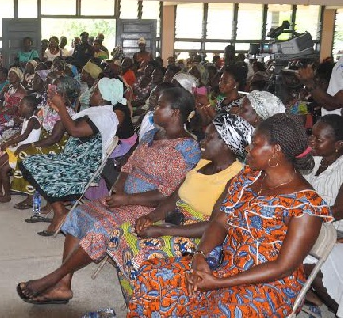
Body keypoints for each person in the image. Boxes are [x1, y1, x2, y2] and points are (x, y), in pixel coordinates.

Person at [127, 113, 332, 317]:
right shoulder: (248, 178)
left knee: (219, 311)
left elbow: (283, 267)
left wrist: (218, 283)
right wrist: (201, 257)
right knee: (154, 276)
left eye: (255, 144)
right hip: (226, 265)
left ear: (276, 151)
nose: (247, 149)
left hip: (267, 286)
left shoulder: (306, 205)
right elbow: (221, 222)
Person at [16, 87, 201, 304]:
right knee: (78, 214)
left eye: (160, 106)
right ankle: (64, 285)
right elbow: (129, 165)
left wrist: (127, 200)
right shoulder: (152, 135)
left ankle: (54, 277)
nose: (154, 109)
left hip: (149, 210)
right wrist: (119, 188)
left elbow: (169, 194)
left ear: (176, 112)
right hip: (124, 199)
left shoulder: (187, 148)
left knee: (101, 228)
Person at [108, 113, 252, 300]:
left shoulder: (236, 178)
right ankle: (136, 301)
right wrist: (150, 217)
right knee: (122, 234)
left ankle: (150, 303)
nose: (203, 141)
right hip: (175, 221)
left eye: (209, 138)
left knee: (143, 254)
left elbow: (214, 226)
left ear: (226, 144)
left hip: (198, 236)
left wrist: (164, 231)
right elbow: (174, 197)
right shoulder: (202, 163)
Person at [19, 78, 122, 236]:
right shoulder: (95, 112)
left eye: (95, 92)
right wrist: (59, 108)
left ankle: (60, 212)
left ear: (102, 96)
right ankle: (59, 210)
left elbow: (75, 131)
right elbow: (66, 125)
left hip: (84, 166)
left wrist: (61, 107)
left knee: (34, 165)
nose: (91, 94)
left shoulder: (104, 116)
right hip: (72, 159)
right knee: (28, 162)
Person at [10, 76, 80, 210]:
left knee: (26, 153)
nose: (49, 90)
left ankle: (31, 197)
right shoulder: (51, 107)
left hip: (57, 146)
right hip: (45, 140)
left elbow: (54, 138)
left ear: (63, 94)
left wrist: (31, 145)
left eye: (54, 88)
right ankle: (27, 189)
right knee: (21, 149)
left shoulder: (66, 113)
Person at [303, 115, 343, 315]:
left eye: (319, 139)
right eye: (312, 135)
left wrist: (304, 218)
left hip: (334, 231)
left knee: (309, 266)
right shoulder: (314, 161)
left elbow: (338, 211)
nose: (312, 141)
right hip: (309, 223)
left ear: (338, 144)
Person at [0, 95, 42, 203]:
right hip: (19, 148)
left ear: (29, 107)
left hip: (25, 152)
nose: (19, 107)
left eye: (21, 105)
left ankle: (7, 196)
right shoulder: (27, 119)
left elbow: (24, 136)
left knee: (3, 170)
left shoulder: (33, 120)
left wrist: (8, 142)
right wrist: (11, 139)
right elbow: (21, 133)